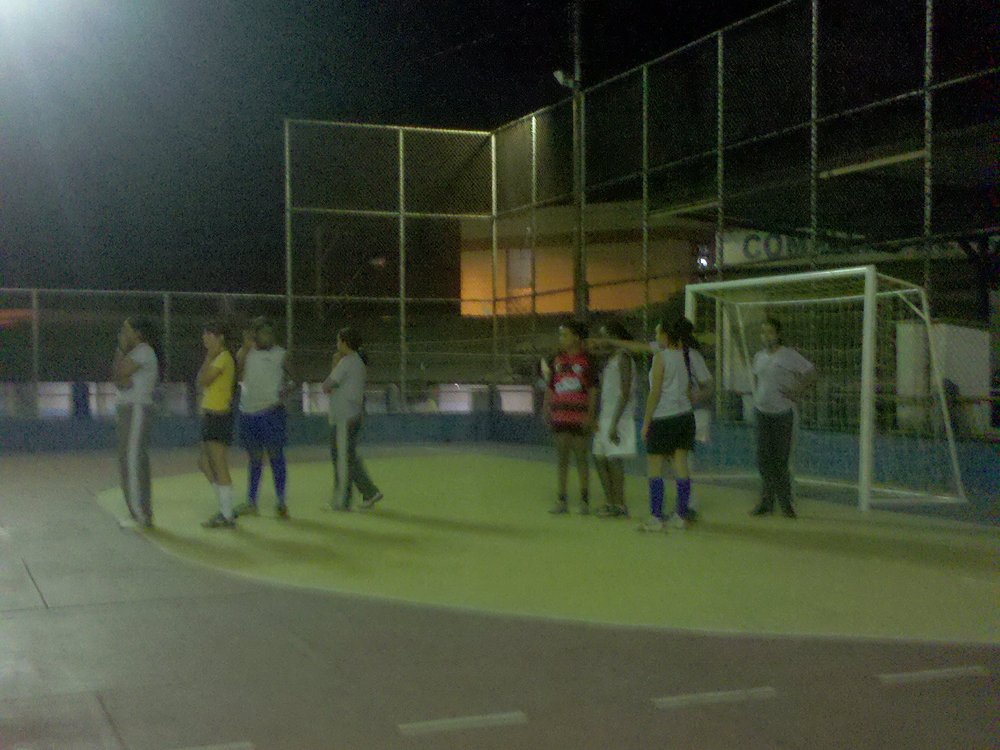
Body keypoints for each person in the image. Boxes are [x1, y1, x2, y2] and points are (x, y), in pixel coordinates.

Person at [639, 317, 712, 531]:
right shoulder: (686, 356)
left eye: (658, 332)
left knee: (655, 467)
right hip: (685, 416)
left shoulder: (661, 358)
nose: (656, 336)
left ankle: (656, 517)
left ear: (666, 336)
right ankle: (680, 515)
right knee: (681, 466)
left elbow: (655, 392)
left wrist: (646, 422)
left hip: (663, 417)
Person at [750, 317, 817, 518]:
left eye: (769, 332)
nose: (766, 336)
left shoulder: (788, 355)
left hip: (782, 415)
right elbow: (757, 378)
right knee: (763, 460)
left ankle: (786, 503)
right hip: (762, 413)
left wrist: (797, 391)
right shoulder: (759, 357)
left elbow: (811, 372)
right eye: (763, 332)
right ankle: (766, 502)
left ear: (778, 334)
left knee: (780, 460)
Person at [234, 317, 293, 519]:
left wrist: (286, 390)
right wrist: (245, 347)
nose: (267, 336)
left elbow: (295, 377)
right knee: (255, 458)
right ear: (254, 334)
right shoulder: (245, 353)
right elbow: (238, 374)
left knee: (276, 455)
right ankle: (251, 502)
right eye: (263, 332)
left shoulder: (280, 354)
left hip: (271, 412)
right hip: (248, 412)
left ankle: (281, 501)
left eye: (270, 332)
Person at [322, 327, 382, 511]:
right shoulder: (357, 362)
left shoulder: (347, 362)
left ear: (345, 343)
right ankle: (369, 492)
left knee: (342, 458)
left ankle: (342, 500)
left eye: (339, 340)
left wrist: (334, 363)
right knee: (348, 457)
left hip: (343, 416)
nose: (337, 344)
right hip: (352, 415)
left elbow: (327, 385)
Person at [112, 317, 162, 529]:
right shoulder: (133, 354)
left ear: (138, 333)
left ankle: (141, 514)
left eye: (127, 330)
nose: (122, 334)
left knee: (132, 461)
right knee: (128, 460)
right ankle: (137, 511)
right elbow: (118, 377)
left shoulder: (143, 351)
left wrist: (121, 351)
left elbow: (121, 374)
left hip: (137, 410)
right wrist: (121, 354)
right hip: (128, 410)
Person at [543, 321, 597, 515]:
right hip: (560, 414)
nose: (561, 339)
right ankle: (562, 499)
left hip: (579, 415)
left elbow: (592, 390)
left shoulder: (587, 361)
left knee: (581, 457)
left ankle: (584, 499)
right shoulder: (557, 360)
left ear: (576, 337)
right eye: (561, 335)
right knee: (562, 457)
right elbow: (551, 385)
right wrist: (546, 407)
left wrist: (590, 415)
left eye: (565, 335)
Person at [591, 320, 638, 518]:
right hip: (606, 415)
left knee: (614, 460)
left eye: (605, 335)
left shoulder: (624, 358)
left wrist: (614, 423)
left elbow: (625, 392)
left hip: (619, 417)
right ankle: (610, 502)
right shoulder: (611, 359)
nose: (602, 340)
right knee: (600, 457)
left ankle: (620, 505)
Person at [198, 321, 238, 529]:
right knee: (205, 463)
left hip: (218, 415)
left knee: (218, 463)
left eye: (209, 335)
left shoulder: (223, 358)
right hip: (211, 414)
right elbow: (201, 379)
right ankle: (224, 507)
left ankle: (227, 513)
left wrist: (209, 359)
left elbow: (204, 380)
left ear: (220, 337)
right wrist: (208, 357)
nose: (205, 339)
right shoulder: (215, 358)